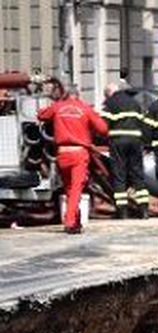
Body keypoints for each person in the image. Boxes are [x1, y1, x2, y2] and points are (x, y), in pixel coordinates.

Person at [37, 81, 107, 233]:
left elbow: (41, 115)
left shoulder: (58, 107)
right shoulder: (84, 108)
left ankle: (76, 220)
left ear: (65, 94)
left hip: (62, 153)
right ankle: (69, 222)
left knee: (69, 188)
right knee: (76, 189)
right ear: (78, 94)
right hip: (79, 153)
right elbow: (103, 128)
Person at [101, 81, 149, 219]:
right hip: (135, 141)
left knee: (119, 174)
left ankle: (122, 211)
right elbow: (143, 124)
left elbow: (103, 125)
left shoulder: (111, 103)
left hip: (118, 141)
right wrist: (144, 143)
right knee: (137, 173)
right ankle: (144, 210)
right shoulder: (135, 103)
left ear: (110, 93)